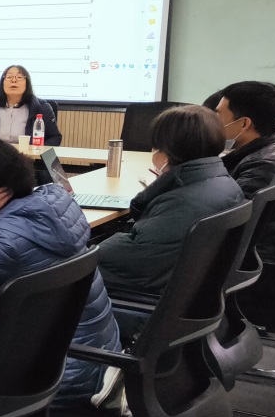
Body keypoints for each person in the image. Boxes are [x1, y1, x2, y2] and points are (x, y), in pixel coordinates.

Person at [0, 137, 122, 405]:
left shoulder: (4, 246)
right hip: (98, 356)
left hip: (59, 377)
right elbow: (7, 238)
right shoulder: (55, 204)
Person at [98, 105, 244, 296]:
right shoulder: (225, 182)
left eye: (155, 147)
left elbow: (133, 257)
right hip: (184, 289)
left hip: (143, 296)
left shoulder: (182, 202)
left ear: (166, 153)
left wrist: (90, 248)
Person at [213, 81, 275, 259]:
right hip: (257, 256)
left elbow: (224, 227)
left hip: (252, 264)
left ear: (244, 124)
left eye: (218, 114)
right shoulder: (274, 150)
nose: (213, 120)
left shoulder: (263, 168)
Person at [0, 64, 62, 146]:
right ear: (2, 83)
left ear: (27, 83)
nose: (14, 80)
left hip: (29, 156)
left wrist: (37, 151)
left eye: (19, 77)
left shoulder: (41, 108)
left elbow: (55, 138)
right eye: (9, 77)